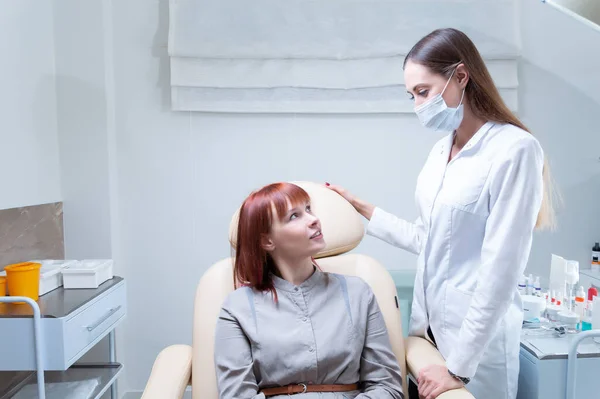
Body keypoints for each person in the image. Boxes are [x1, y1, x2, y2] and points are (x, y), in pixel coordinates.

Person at [326, 28, 556, 399]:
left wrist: (460, 368)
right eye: (412, 95)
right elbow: (430, 239)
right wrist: (364, 210)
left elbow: (502, 270)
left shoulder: (515, 150)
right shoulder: (440, 152)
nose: (418, 105)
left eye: (424, 92)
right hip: (429, 331)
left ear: (461, 76)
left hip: (475, 346)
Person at [213, 182, 404, 399]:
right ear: (267, 241)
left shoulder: (358, 293)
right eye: (294, 216)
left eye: (308, 209)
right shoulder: (236, 308)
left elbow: (387, 387)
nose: (314, 219)